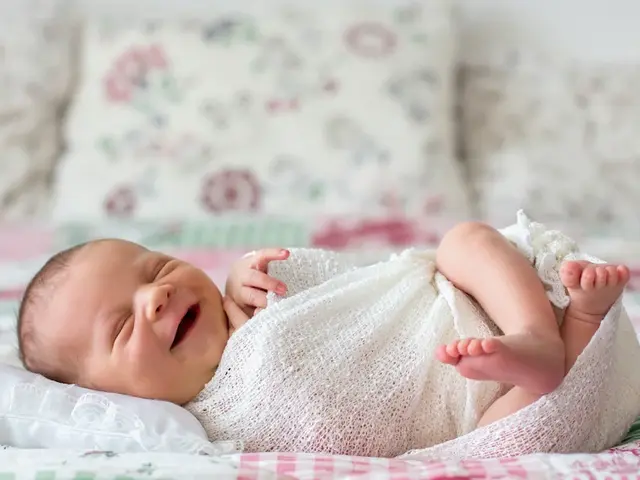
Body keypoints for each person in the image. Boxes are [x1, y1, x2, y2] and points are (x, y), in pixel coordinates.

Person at [16, 219, 629, 454]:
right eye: (123, 327)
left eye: (155, 268)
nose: (157, 296)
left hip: (469, 304)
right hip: (479, 400)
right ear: (114, 396)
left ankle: (536, 332)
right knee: (505, 438)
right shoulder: (210, 429)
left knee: (463, 239)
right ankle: (577, 327)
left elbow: (354, 284)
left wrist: (244, 285)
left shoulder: (250, 298)